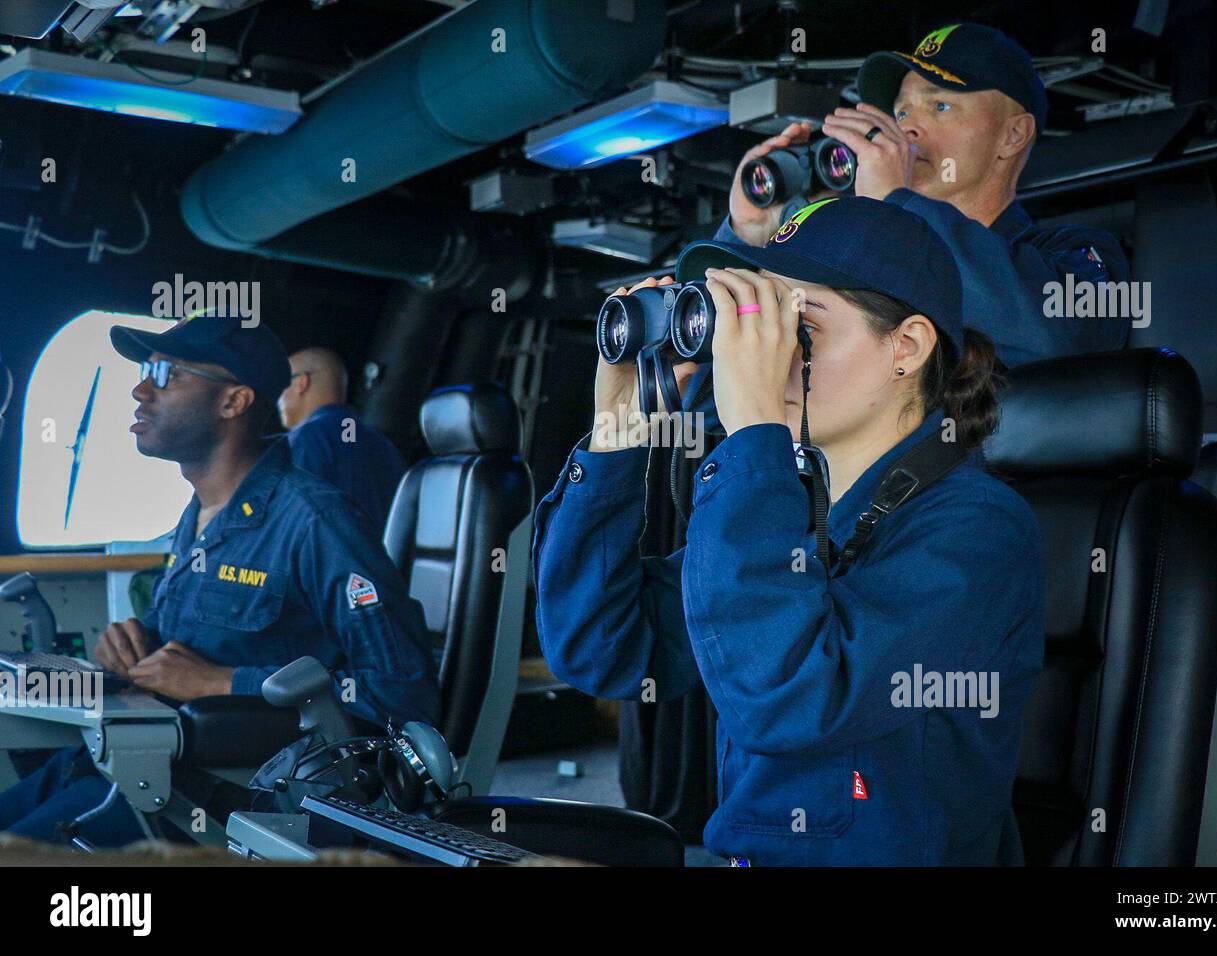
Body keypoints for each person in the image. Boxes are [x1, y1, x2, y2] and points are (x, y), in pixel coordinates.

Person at [533, 196, 1045, 865]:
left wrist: (754, 440)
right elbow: (604, 650)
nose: (767, 357)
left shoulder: (978, 533)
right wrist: (620, 432)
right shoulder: (798, 512)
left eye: (797, 328)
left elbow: (792, 701)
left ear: (908, 347)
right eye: (756, 326)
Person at [0, 316, 439, 846]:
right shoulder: (201, 516)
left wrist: (224, 682)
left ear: (233, 402)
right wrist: (133, 645)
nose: (140, 388)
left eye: (164, 373)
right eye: (144, 370)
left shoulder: (314, 521)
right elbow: (190, 644)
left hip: (231, 795)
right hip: (138, 761)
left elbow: (404, 697)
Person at [716, 21, 1130, 368]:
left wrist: (897, 201)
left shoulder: (1075, 254)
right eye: (901, 111)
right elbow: (716, 393)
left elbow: (1056, 337)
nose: (908, 128)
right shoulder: (861, 271)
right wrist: (749, 237)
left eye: (941, 107)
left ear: (1013, 135)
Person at [277, 346, 408, 532]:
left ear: (301, 383)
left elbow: (284, 525)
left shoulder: (303, 439)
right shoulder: (386, 447)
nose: (278, 398)